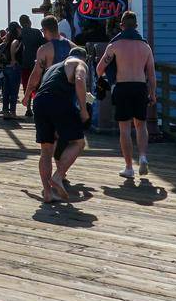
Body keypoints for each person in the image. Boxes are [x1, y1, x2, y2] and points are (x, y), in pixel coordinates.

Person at [97, 10, 156, 178]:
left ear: (121, 26)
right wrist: (152, 93)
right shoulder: (145, 47)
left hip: (122, 87)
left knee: (124, 128)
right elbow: (151, 75)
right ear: (136, 26)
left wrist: (106, 79)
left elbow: (99, 69)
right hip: (140, 87)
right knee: (141, 125)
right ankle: (143, 157)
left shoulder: (114, 46)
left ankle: (129, 167)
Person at [30, 52, 92, 203]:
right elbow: (79, 79)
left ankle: (47, 193)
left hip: (39, 102)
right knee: (78, 142)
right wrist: (83, 109)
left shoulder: (53, 68)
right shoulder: (79, 63)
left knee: (46, 151)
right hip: (58, 101)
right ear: (84, 57)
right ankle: (58, 176)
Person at [24, 15, 73, 112]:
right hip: (69, 95)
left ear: (45, 30)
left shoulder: (44, 50)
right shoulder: (73, 47)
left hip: (51, 93)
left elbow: (36, 75)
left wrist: (26, 96)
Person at [0, 26, 23, 120]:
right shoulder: (16, 41)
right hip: (13, 68)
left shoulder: (4, 43)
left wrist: (1, 63)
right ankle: (13, 112)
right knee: (14, 91)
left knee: (6, 91)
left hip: (5, 68)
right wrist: (13, 59)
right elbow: (13, 46)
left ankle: (5, 112)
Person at [17, 13, 42, 99]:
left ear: (20, 23)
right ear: (29, 22)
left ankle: (28, 106)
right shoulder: (37, 32)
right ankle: (35, 103)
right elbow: (43, 45)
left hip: (24, 63)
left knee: (26, 85)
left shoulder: (19, 34)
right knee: (37, 85)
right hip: (36, 63)